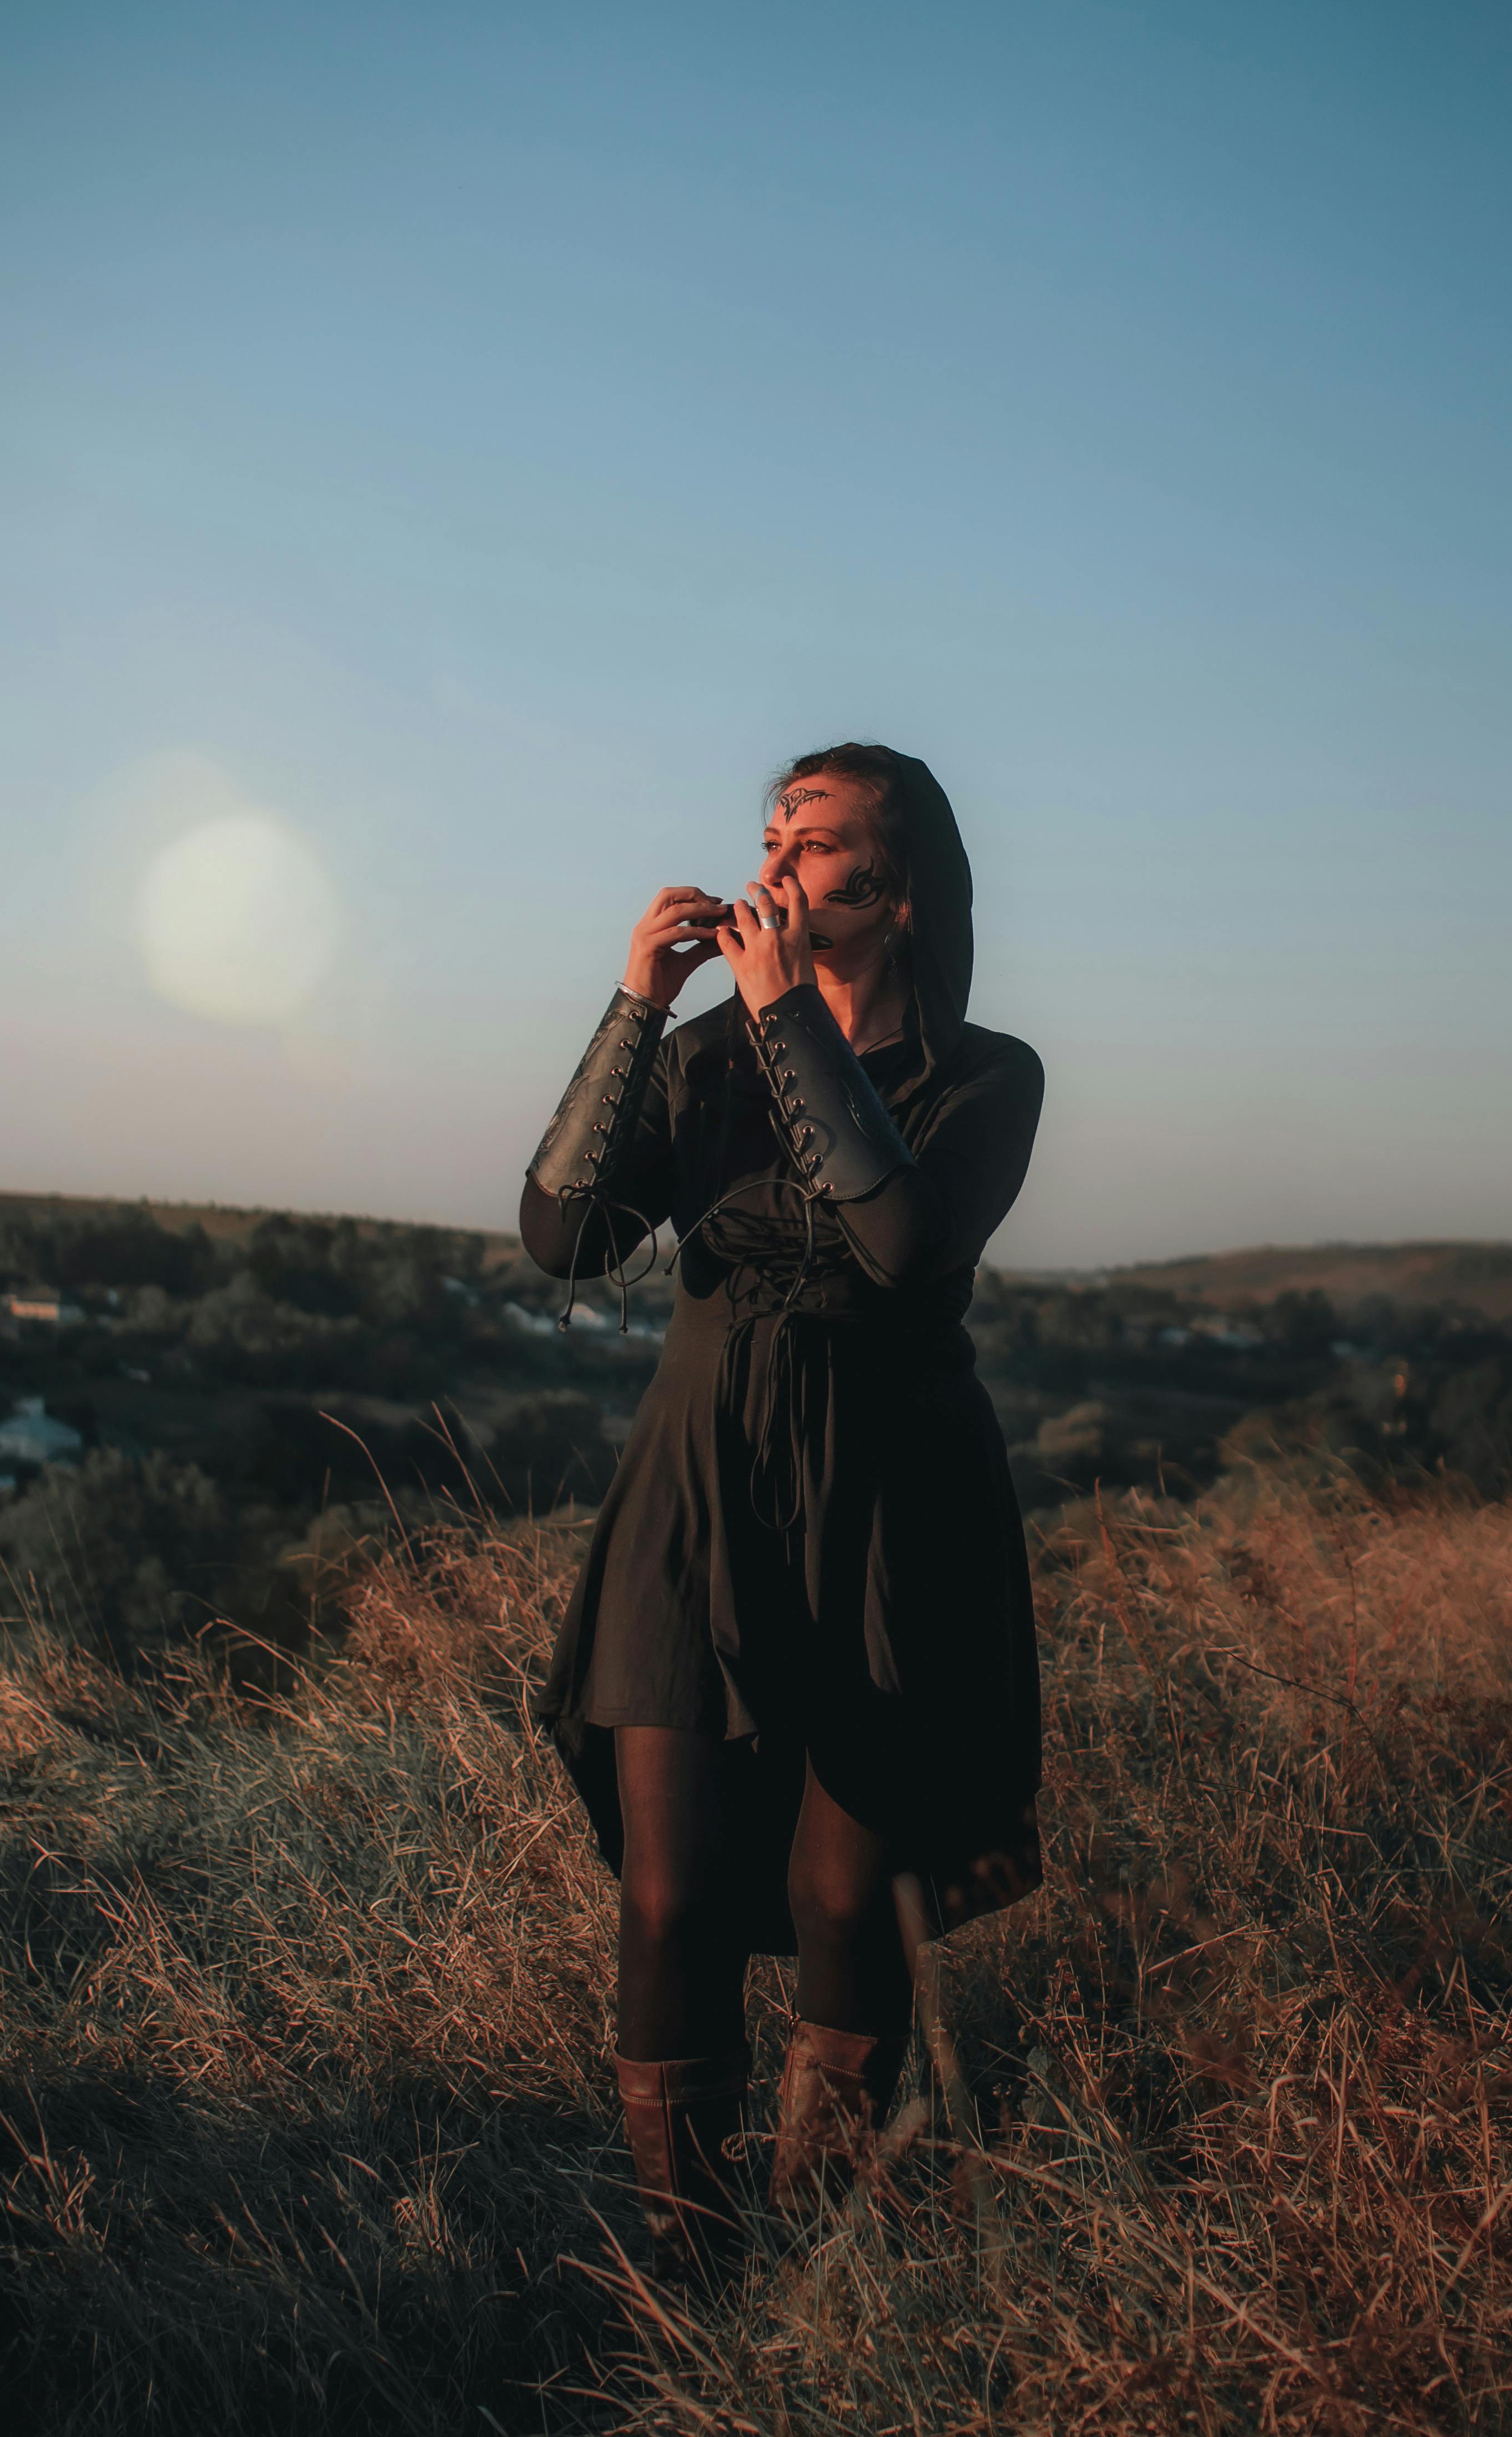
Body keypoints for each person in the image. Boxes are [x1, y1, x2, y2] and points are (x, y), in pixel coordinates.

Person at [519, 742, 1044, 2275]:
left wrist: (781, 1013)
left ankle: (821, 2251)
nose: (767, 864)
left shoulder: (987, 1076)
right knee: (669, 1895)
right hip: (701, 1490)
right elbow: (562, 1236)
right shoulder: (704, 1065)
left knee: (840, 1893)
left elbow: (895, 1243)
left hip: (891, 1504)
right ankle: (685, 2273)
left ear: (886, 890)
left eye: (808, 844)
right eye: (769, 833)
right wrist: (638, 1004)